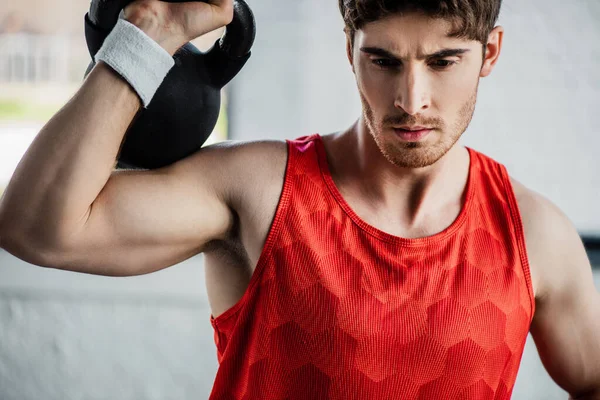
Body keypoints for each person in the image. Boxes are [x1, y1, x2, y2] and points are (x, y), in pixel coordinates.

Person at [0, 0, 598, 398]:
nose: (411, 99)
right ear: (349, 51)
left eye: (443, 61)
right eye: (382, 60)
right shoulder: (256, 189)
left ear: (490, 52)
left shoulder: (534, 234)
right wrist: (146, 35)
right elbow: (36, 228)